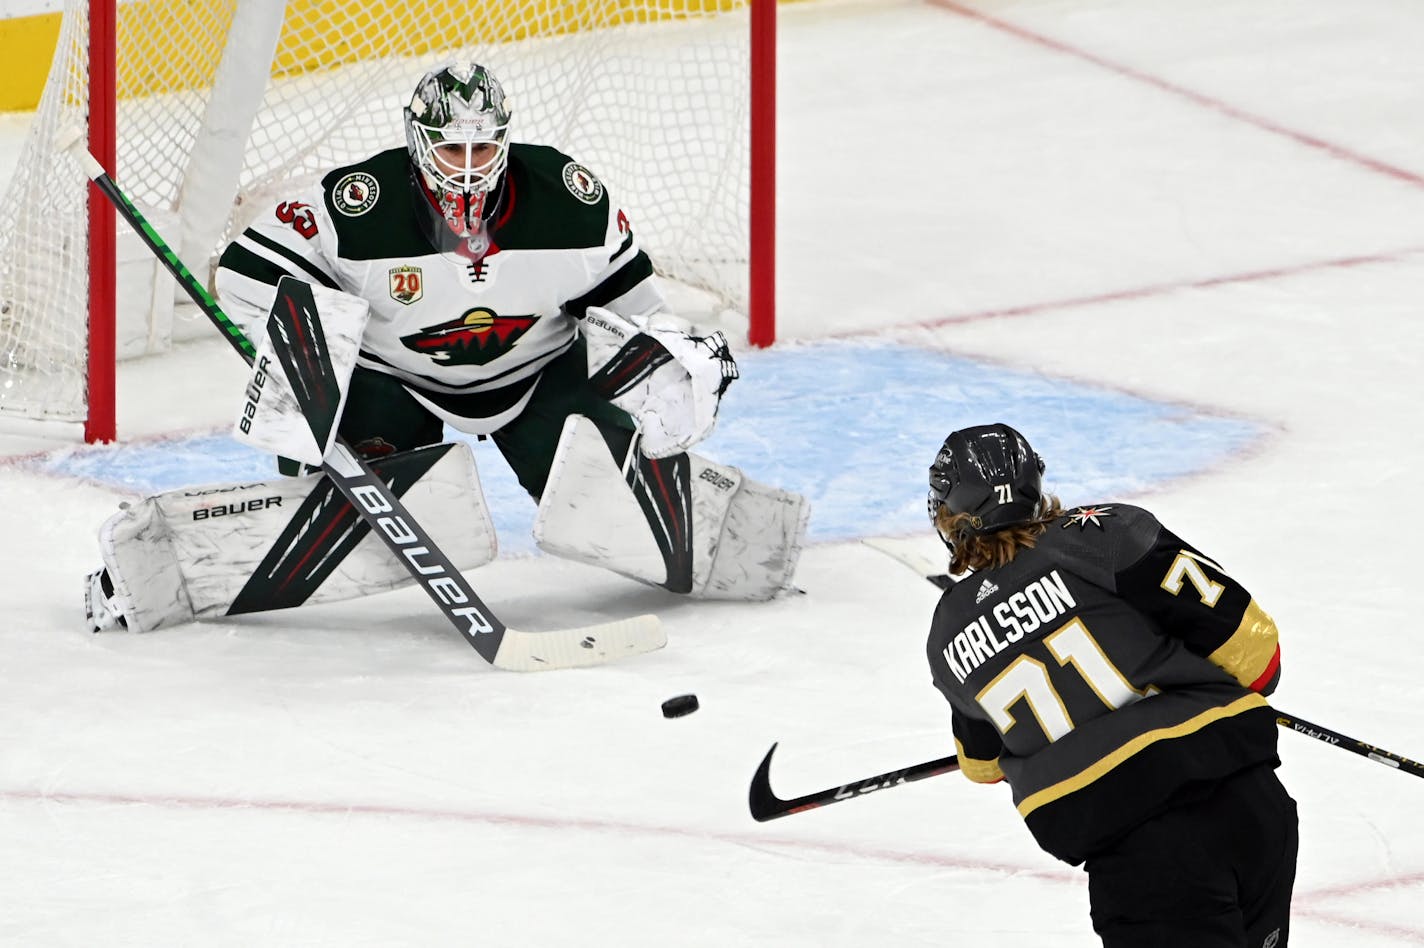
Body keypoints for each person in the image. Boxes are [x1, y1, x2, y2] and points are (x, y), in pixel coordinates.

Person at [83, 62, 807, 633]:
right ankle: (163, 567)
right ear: (416, 139)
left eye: (483, 144)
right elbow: (243, 273)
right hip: (391, 380)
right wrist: (313, 358)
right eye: (451, 145)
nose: (467, 164)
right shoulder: (354, 205)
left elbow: (640, 316)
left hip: (539, 376)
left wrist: (677, 369)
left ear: (507, 139)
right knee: (369, 523)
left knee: (616, 513)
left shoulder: (572, 199)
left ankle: (738, 544)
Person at [924, 423, 1296, 947]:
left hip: (1146, 862)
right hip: (1253, 809)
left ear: (951, 516)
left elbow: (982, 765)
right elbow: (1259, 659)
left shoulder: (947, 634)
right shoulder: (1105, 534)